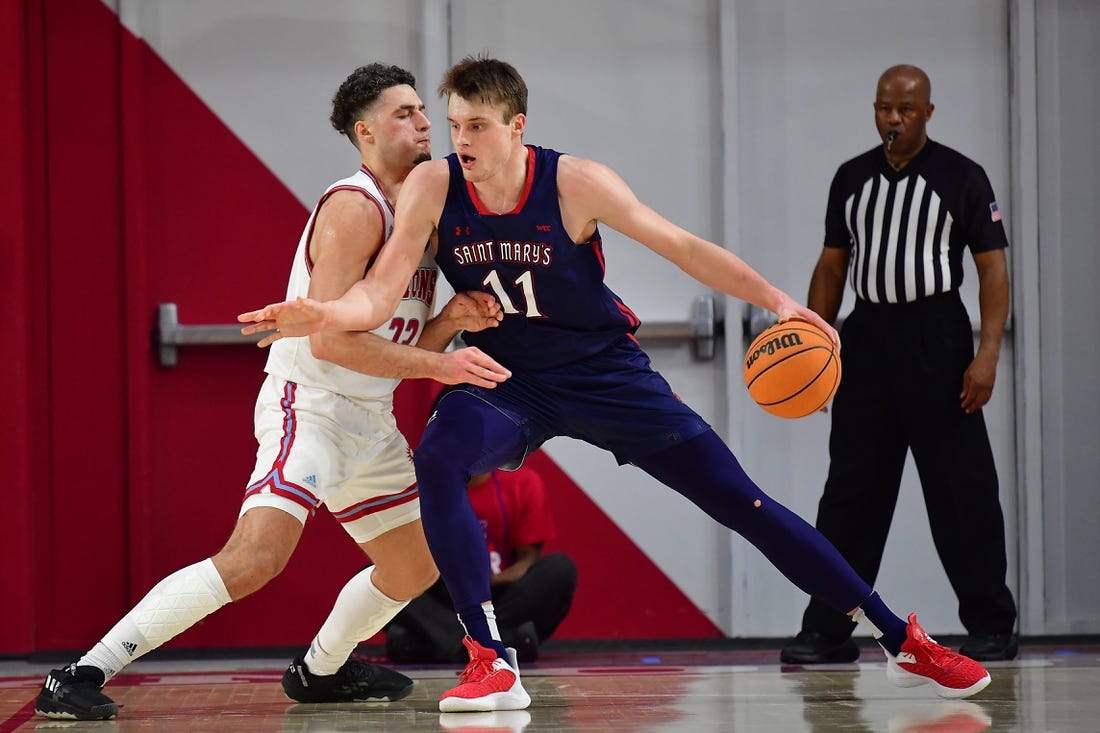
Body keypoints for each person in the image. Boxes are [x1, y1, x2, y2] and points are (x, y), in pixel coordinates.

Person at [239, 54, 994, 713]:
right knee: (438, 453)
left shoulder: (575, 181)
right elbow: (379, 296)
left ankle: (899, 635)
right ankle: (489, 658)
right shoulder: (433, 187)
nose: (460, 141)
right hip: (511, 377)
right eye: (454, 124)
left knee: (746, 504)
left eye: (476, 127)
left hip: (605, 374)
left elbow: (683, 246)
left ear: (516, 127)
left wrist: (777, 301)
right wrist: (324, 309)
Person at [34, 62, 511, 721]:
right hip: (309, 405)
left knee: (415, 565)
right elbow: (329, 341)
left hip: (368, 417)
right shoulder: (355, 206)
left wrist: (449, 325)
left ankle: (322, 668)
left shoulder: (420, 218)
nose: (425, 123)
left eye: (422, 112)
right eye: (405, 113)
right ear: (365, 132)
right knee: (255, 557)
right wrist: (440, 367)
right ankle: (81, 670)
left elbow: (396, 353)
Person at [779, 64, 1017, 666]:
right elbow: (832, 267)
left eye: (906, 110)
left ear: (928, 113)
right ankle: (828, 628)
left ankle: (991, 623)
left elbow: (992, 271)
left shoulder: (962, 177)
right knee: (850, 495)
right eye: (884, 107)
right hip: (868, 340)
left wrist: (987, 352)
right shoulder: (852, 178)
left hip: (937, 340)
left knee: (962, 492)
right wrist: (817, 343)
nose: (893, 118)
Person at [385, 463, 577, 664]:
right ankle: (499, 644)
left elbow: (528, 558)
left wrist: (490, 581)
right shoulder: (421, 488)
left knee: (559, 569)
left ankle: (448, 643)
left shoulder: (524, 482)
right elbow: (408, 560)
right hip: (445, 593)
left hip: (499, 594)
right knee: (375, 577)